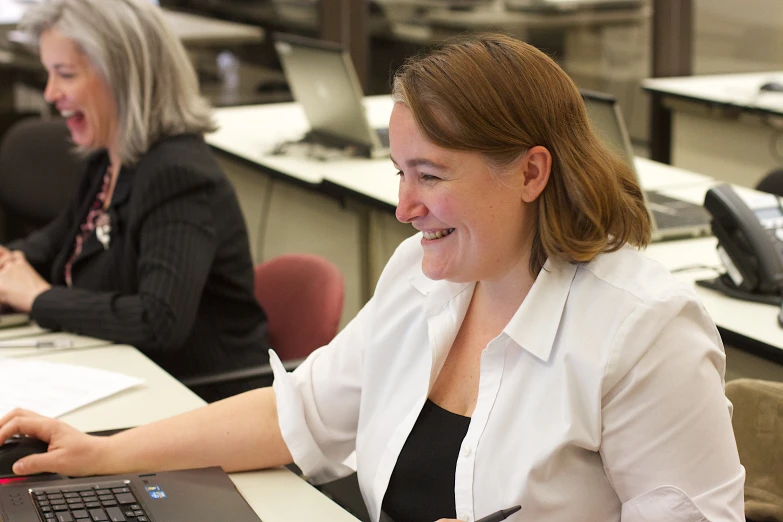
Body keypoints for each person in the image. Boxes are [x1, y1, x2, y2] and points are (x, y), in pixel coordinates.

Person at [0, 33, 744, 522]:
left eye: (429, 175)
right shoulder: (427, 279)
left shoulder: (644, 328)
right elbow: (300, 415)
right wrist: (102, 451)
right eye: (398, 172)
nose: (402, 206)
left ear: (530, 171)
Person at [0, 0, 269, 401]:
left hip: (192, 398)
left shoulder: (178, 175)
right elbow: (52, 246)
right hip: (124, 378)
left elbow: (159, 320)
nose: (50, 93)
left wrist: (38, 298)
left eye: (65, 74)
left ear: (122, 77)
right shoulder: (110, 161)